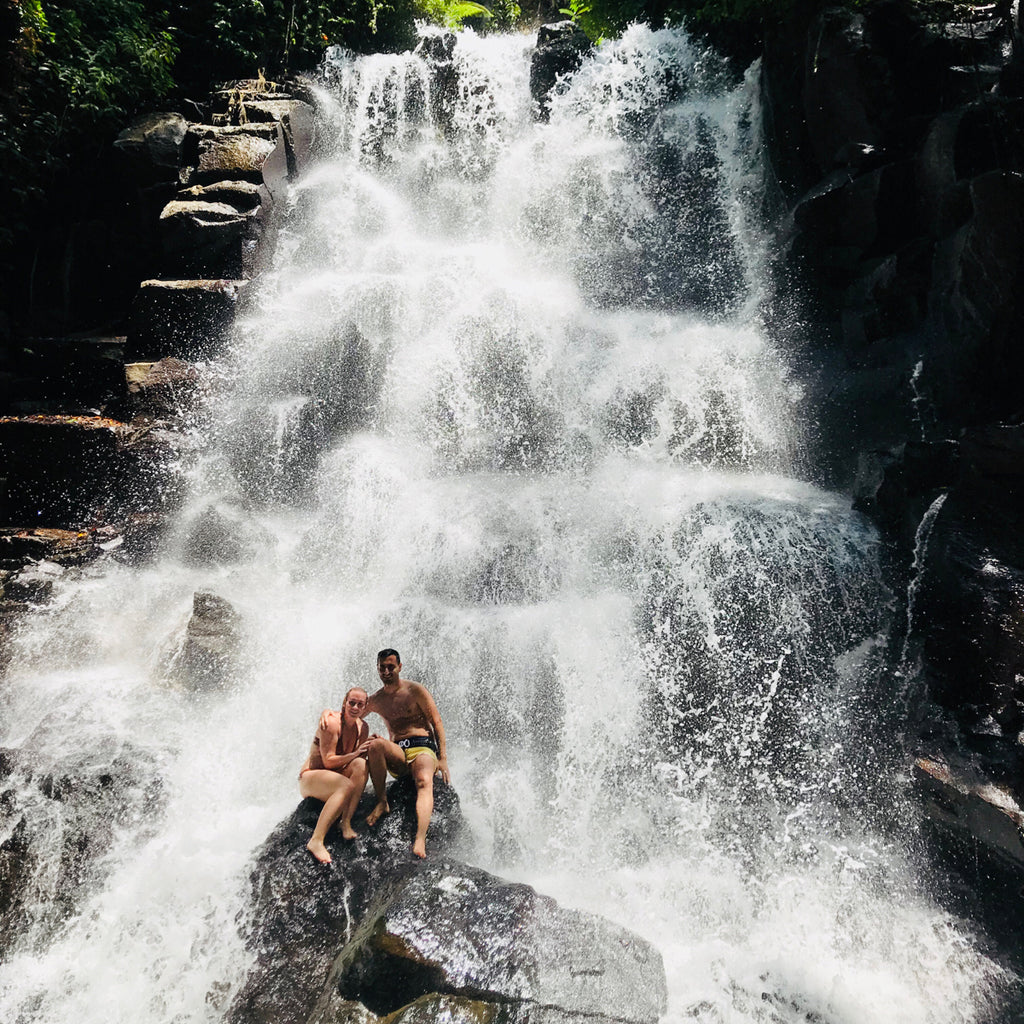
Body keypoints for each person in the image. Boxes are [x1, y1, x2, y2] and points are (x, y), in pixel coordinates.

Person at [360, 648, 450, 859]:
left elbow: (437, 722)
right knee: (376, 744)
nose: (386, 671)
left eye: (391, 667)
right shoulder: (376, 700)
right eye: (382, 667)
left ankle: (420, 839)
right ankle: (382, 802)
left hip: (423, 747)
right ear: (377, 669)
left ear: (400, 667)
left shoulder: (415, 691)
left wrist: (443, 758)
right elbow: (351, 714)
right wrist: (328, 716)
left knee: (423, 781)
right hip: (398, 752)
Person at [299, 687, 370, 864]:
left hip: (334, 777)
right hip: (310, 777)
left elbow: (358, 759)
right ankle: (316, 840)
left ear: (365, 707)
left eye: (360, 704)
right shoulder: (331, 722)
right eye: (351, 702)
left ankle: (345, 822)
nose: (355, 707)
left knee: (361, 765)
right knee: (345, 785)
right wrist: (354, 754)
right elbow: (328, 761)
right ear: (345, 703)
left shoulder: (363, 728)